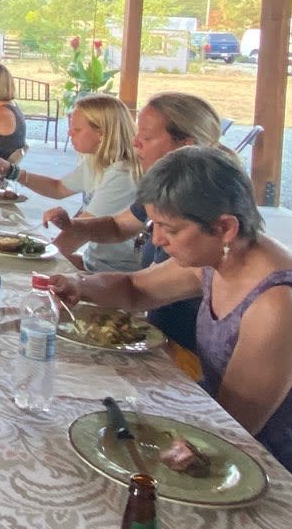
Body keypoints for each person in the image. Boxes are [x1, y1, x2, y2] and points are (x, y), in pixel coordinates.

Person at [50, 148, 292, 485]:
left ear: (225, 227)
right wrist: (78, 285)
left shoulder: (279, 306)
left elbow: (230, 425)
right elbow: (134, 288)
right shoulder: (218, 259)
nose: (157, 239)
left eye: (170, 230)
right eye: (154, 225)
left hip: (262, 469)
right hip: (211, 429)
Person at [48, 91, 221, 347]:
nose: (135, 141)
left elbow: (140, 288)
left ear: (187, 145)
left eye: (147, 136)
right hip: (155, 330)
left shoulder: (206, 204)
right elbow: (120, 228)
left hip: (186, 351)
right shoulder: (165, 189)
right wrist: (75, 228)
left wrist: (81, 281)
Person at [0, 92, 141, 271]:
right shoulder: (97, 161)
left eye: (76, 129)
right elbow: (59, 188)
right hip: (94, 262)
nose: (69, 133)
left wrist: (33, 258)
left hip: (115, 271)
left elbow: (77, 234)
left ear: (102, 134)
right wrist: (12, 172)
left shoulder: (122, 175)